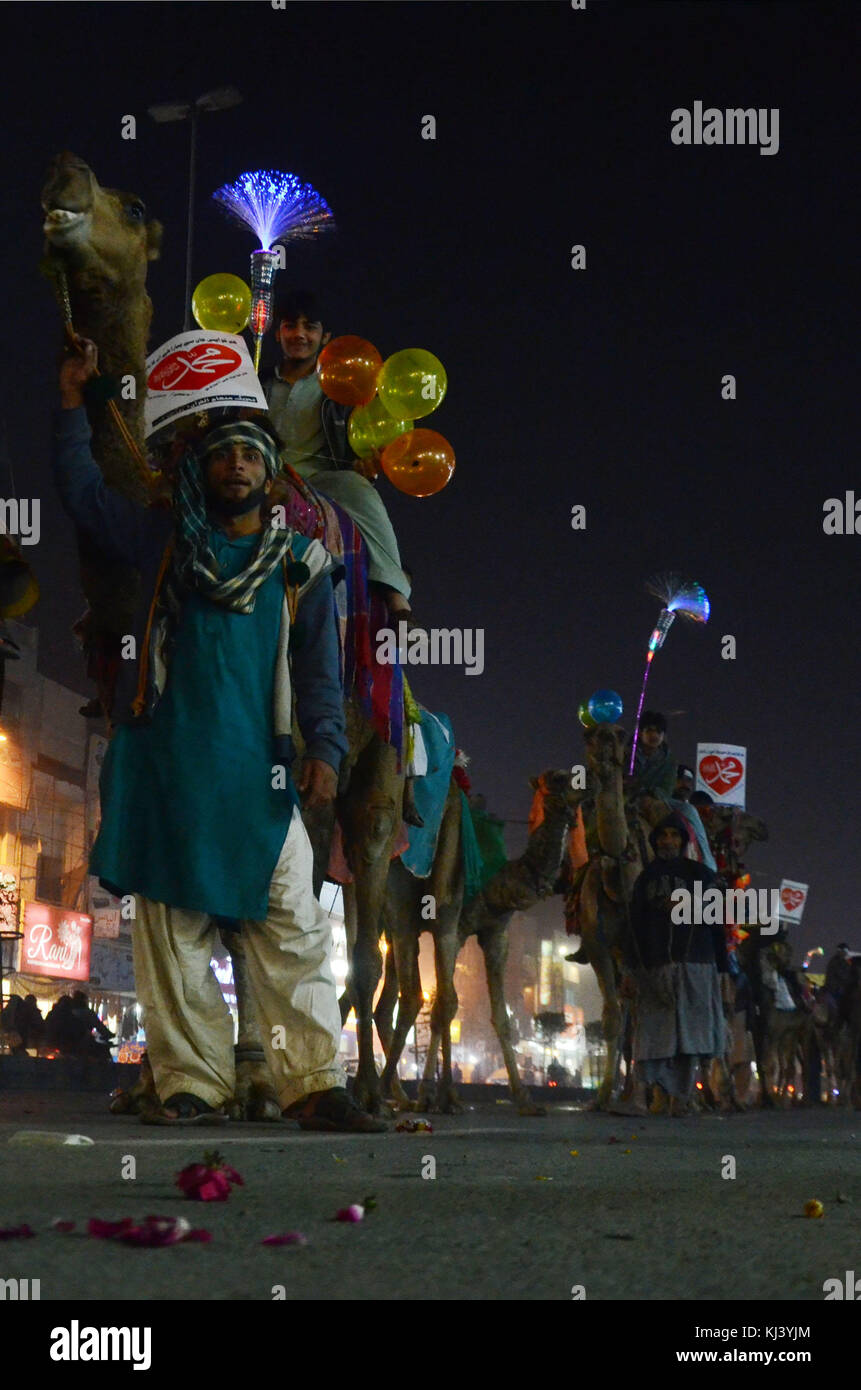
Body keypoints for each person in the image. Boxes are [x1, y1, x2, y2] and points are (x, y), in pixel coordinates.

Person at [53, 334, 385, 1132]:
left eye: (250, 456)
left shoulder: (300, 562)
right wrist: (72, 402)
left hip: (262, 779)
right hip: (174, 770)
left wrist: (328, 756)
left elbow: (319, 679)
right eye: (224, 455)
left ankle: (313, 1085)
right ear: (203, 470)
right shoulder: (166, 546)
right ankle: (192, 1086)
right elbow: (85, 495)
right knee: (175, 934)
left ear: (269, 477)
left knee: (297, 931)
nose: (235, 466)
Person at [262, 291, 417, 625]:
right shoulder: (258, 383)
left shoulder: (340, 389)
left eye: (311, 327)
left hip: (320, 479)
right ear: (278, 333)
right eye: (290, 326)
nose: (300, 334)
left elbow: (359, 442)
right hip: (265, 477)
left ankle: (396, 598)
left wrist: (367, 465)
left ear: (325, 337)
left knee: (361, 493)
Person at [623, 812, 731, 1116]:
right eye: (662, 836)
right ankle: (651, 1095)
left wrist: (723, 971)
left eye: (673, 836)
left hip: (697, 963)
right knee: (656, 1033)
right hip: (656, 967)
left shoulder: (702, 876)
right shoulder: (645, 879)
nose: (667, 841)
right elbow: (635, 925)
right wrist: (631, 969)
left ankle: (682, 1098)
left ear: (683, 841)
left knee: (689, 1036)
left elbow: (716, 923)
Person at [670, 763, 717, 870]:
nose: (685, 785)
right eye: (681, 780)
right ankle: (708, 863)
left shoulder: (688, 809)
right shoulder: (687, 810)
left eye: (689, 781)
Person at [626, 711, 676, 804]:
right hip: (627, 799)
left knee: (688, 809)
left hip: (655, 802)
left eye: (659, 731)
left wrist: (647, 792)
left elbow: (667, 790)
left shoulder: (669, 761)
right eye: (649, 730)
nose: (654, 735)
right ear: (640, 733)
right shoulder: (626, 753)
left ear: (663, 735)